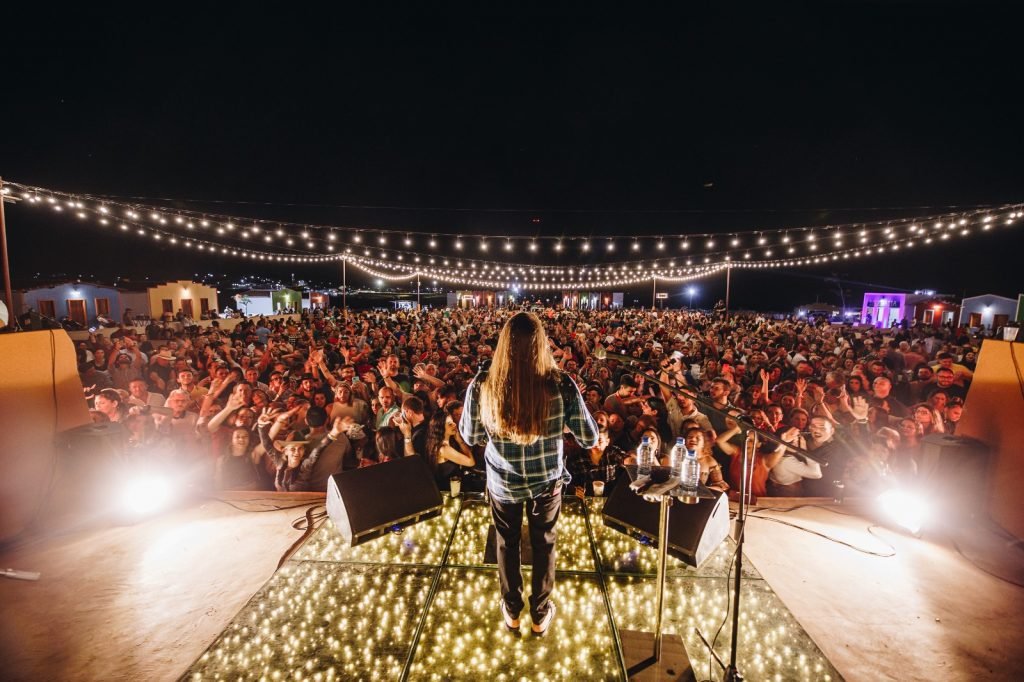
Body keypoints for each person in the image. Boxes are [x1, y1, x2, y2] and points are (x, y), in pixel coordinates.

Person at [460, 311, 599, 636]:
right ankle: (539, 616)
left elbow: (471, 436)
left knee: (507, 544)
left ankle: (512, 614)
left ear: (503, 345)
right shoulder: (561, 384)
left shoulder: (483, 384)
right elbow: (590, 437)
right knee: (544, 543)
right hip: (546, 483)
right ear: (541, 344)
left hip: (503, 483)